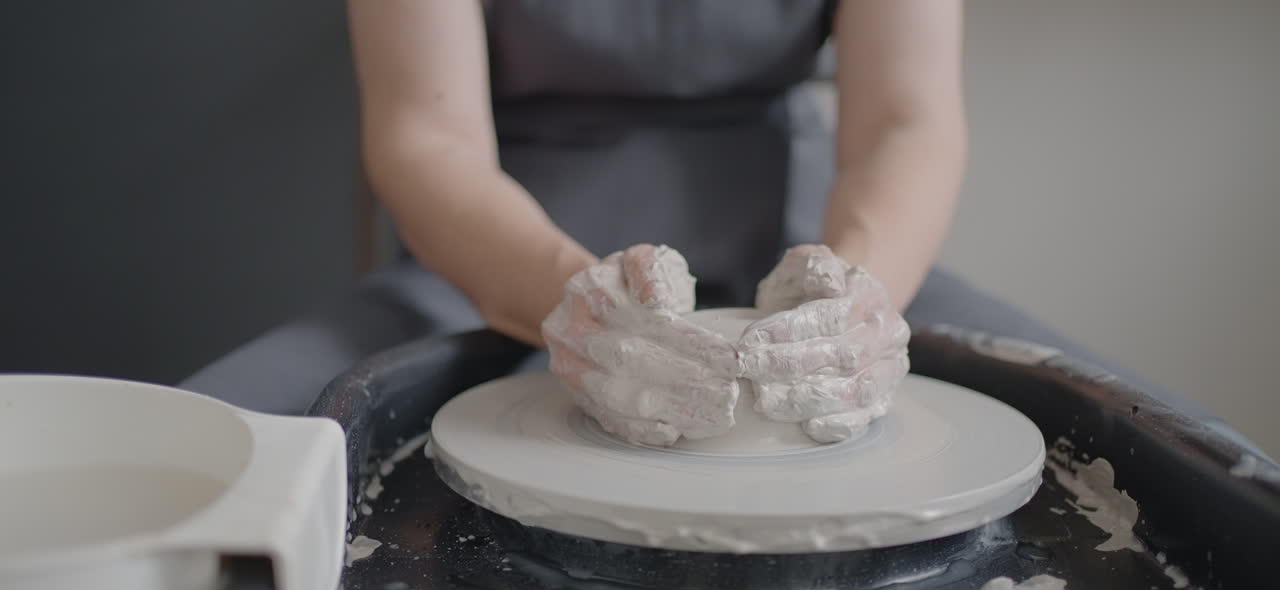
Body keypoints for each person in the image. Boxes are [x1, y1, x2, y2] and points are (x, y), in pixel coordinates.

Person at [182, 0, 1251, 453]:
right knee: (204, 436)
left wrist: (850, 297)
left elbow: (905, 120)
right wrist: (575, 301)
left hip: (807, 248)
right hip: (489, 252)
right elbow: (424, 137)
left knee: (1172, 451)